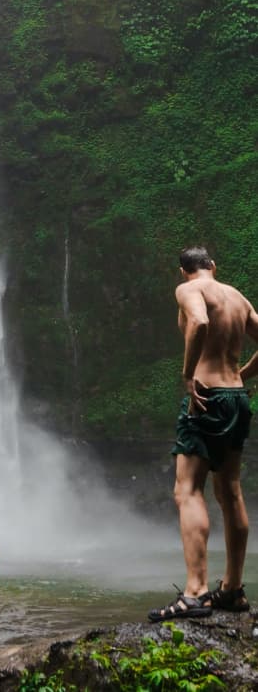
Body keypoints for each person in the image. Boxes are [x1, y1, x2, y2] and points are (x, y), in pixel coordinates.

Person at [148, 245, 258, 622]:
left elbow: (200, 323)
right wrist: (242, 376)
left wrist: (187, 374)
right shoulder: (236, 296)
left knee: (187, 490)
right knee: (230, 491)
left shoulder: (189, 291)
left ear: (183, 272)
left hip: (207, 397)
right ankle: (232, 590)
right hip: (236, 398)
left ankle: (195, 592)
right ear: (213, 266)